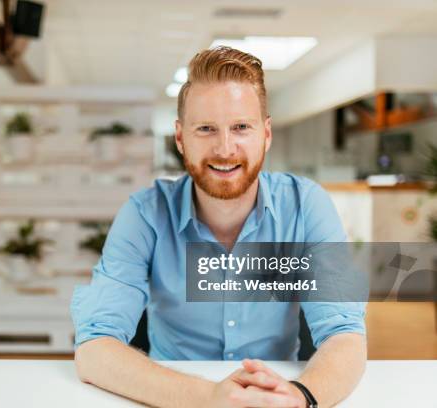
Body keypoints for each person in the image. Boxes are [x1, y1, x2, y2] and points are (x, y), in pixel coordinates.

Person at [71, 46, 366, 408]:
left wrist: (301, 396)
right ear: (181, 138)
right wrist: (210, 398)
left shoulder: (306, 206)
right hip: (171, 398)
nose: (225, 149)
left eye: (241, 127)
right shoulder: (144, 214)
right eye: (206, 129)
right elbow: (94, 349)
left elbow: (345, 335)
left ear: (266, 134)